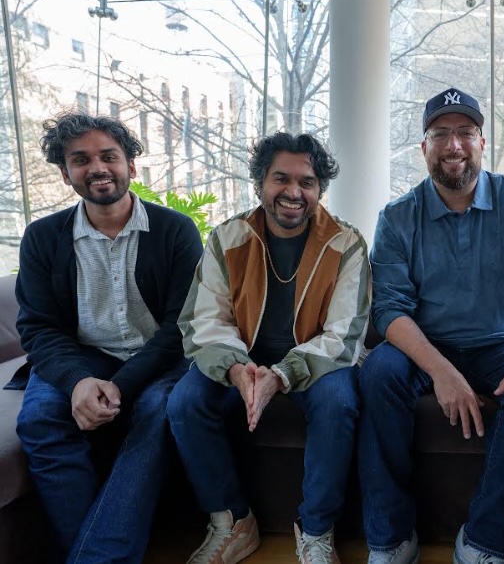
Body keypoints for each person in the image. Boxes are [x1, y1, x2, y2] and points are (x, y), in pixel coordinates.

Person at [358, 88, 504, 564]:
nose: (453, 145)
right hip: (426, 343)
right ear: (424, 147)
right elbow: (389, 310)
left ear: (482, 142)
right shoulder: (397, 218)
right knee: (375, 374)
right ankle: (391, 537)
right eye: (440, 134)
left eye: (464, 133)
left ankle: (483, 541)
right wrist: (442, 373)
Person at [168, 131, 370, 564]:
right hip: (241, 359)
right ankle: (233, 522)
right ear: (260, 183)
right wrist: (238, 369)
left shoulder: (346, 243)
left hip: (315, 363)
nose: (294, 192)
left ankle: (316, 532)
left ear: (320, 190)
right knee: (185, 401)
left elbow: (344, 334)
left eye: (307, 182)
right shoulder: (228, 238)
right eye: (281, 179)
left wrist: (281, 375)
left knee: (339, 402)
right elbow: (204, 320)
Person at [14, 112, 202, 563]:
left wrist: (122, 385)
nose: (97, 168)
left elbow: (182, 325)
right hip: (82, 355)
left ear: (131, 167)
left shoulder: (176, 231)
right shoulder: (42, 238)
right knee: (39, 420)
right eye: (81, 159)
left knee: (158, 409)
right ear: (65, 174)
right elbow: (38, 326)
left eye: (108, 156)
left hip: (160, 357)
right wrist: (78, 380)